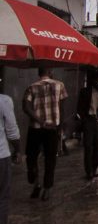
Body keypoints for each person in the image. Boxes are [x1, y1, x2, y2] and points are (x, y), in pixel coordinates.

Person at [22, 68, 67, 201]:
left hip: (35, 127)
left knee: (31, 156)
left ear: (39, 74)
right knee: (50, 159)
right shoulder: (60, 85)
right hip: (53, 128)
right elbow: (62, 108)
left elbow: (26, 107)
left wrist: (40, 121)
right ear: (50, 72)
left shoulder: (31, 87)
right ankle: (47, 189)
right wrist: (60, 127)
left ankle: (36, 182)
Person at [0, 89, 21, 224]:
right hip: (1, 156)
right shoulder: (4, 101)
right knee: (2, 197)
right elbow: (12, 130)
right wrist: (18, 150)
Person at [76, 70, 98, 180]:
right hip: (88, 119)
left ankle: (94, 167)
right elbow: (80, 107)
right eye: (97, 80)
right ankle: (89, 171)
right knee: (88, 146)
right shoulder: (85, 92)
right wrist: (83, 119)